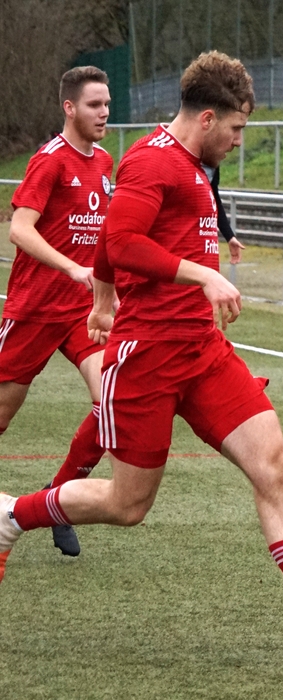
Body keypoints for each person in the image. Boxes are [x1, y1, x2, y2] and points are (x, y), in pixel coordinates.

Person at [0, 51, 283, 652]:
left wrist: (100, 302)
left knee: (273, 464)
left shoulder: (193, 164)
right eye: (236, 128)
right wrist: (198, 276)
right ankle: (12, 516)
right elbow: (121, 241)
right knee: (127, 504)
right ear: (208, 118)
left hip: (202, 351)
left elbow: (108, 242)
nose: (239, 139)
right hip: (147, 357)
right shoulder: (151, 161)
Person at [1, 66, 114, 558]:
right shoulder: (49, 161)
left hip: (82, 312)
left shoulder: (105, 161)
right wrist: (71, 267)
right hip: (34, 309)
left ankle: (57, 500)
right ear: (69, 108)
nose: (104, 112)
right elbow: (19, 229)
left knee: (111, 401)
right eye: (94, 105)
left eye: (107, 104)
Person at [205, 164, 245, 263]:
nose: (223, 157)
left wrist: (229, 236)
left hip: (204, 243)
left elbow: (214, 198)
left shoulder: (213, 165)